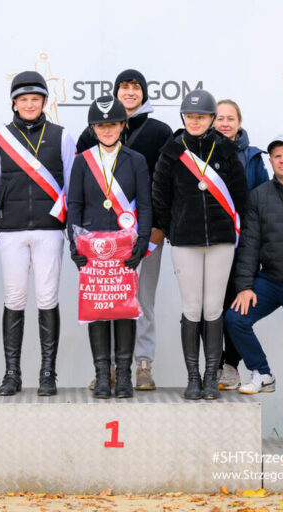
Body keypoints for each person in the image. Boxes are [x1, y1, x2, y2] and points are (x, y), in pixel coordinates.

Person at [77, 69, 172, 391]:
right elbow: (78, 191)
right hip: (102, 240)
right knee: (106, 300)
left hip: (146, 234)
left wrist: (159, 228)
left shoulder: (161, 131)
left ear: (144, 93)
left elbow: (166, 185)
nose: (130, 92)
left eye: (135, 87)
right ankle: (111, 370)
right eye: (124, 87)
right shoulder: (89, 136)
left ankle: (142, 363)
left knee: (141, 300)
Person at [152, 90, 248, 400]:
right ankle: (193, 377)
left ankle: (211, 375)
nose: (195, 121)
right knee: (192, 308)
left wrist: (231, 230)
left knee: (213, 308)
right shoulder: (171, 150)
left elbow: (240, 197)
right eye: (190, 116)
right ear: (184, 118)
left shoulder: (225, 150)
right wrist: (174, 229)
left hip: (220, 241)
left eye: (202, 117)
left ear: (210, 119)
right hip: (185, 242)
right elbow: (160, 198)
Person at [0, 71, 76, 397]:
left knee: (48, 298)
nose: (28, 104)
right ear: (14, 103)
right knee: (14, 299)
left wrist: (68, 224)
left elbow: (70, 185)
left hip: (50, 230)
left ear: (43, 102)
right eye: (23, 99)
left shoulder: (62, 136)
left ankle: (47, 373)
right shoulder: (0, 139)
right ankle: (12, 373)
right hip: (11, 231)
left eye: (34, 99)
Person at [224, 135, 283, 442]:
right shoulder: (260, 195)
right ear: (271, 161)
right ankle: (261, 371)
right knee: (235, 318)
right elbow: (249, 243)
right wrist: (245, 286)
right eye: (277, 156)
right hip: (271, 281)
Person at [67, 95, 151, 399]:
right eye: (101, 125)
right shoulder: (81, 161)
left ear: (122, 125)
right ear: (93, 127)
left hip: (126, 248)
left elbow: (146, 203)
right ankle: (103, 374)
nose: (107, 130)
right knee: (98, 309)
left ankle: (124, 376)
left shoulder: (136, 160)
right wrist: (74, 244)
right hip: (93, 250)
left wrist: (142, 242)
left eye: (113, 124)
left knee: (125, 309)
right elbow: (73, 205)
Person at [214, 99, 269, 390]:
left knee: (234, 307)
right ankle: (212, 364)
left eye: (230, 118)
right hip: (210, 242)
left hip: (242, 245)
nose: (224, 123)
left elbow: (263, 204)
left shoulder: (254, 158)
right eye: (220, 118)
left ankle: (230, 365)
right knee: (210, 308)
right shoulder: (201, 152)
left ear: (239, 122)